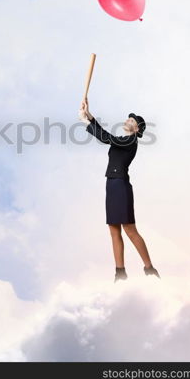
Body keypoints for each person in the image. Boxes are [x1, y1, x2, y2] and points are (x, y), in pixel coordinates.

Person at [78, 98, 160, 283]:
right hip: (111, 183)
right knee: (114, 230)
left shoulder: (131, 141)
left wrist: (86, 123)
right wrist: (89, 115)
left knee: (129, 229)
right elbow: (108, 137)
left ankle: (149, 268)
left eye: (132, 121)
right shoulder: (124, 140)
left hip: (121, 185)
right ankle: (120, 273)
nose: (127, 121)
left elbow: (108, 138)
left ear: (137, 129)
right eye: (128, 119)